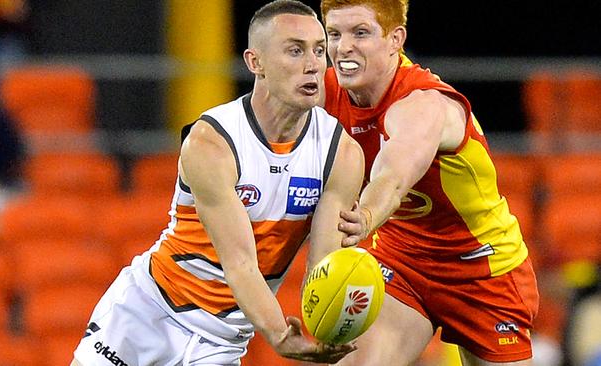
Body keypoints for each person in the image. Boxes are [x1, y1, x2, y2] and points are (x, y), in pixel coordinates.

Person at [72, 1, 364, 365]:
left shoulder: (342, 155)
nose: (312, 64)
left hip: (223, 341)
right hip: (147, 313)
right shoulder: (212, 143)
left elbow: (323, 270)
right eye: (295, 50)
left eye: (319, 51)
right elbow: (240, 262)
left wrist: (332, 325)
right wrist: (279, 337)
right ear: (255, 62)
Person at [318, 1, 540, 365]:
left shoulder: (426, 104)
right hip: (403, 261)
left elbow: (395, 172)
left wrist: (367, 214)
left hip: (482, 271)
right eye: (335, 34)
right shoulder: (325, 92)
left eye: (361, 33)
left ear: (395, 39)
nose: (344, 47)